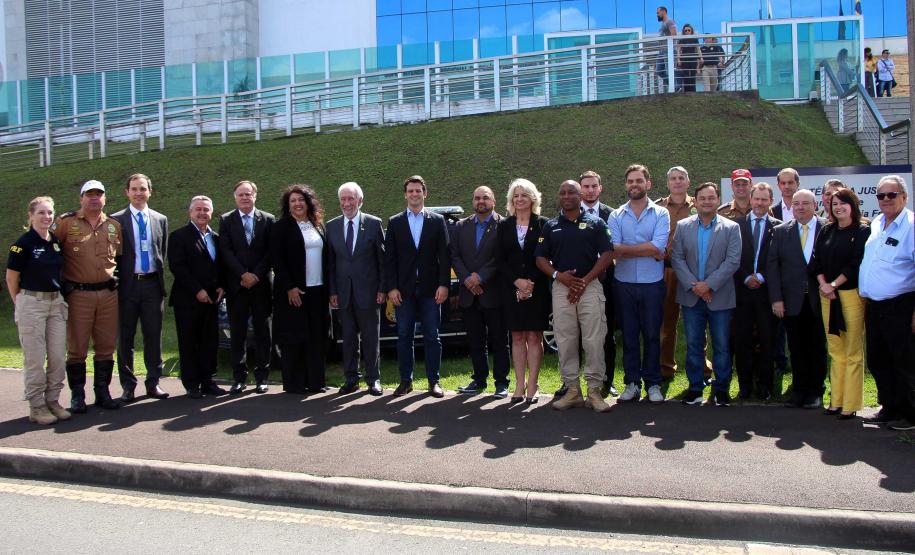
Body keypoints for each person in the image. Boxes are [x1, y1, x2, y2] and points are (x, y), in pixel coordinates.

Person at [535, 180, 613, 412]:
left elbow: (608, 254)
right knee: (566, 340)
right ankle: (572, 391)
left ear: (580, 196)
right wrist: (560, 276)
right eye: (563, 192)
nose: (567, 195)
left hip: (590, 287)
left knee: (594, 340)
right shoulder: (550, 226)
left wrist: (585, 281)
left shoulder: (596, 223)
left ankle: (594, 391)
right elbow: (540, 258)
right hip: (561, 289)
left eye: (572, 192)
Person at [53, 180, 123, 413]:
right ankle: (77, 395)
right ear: (81, 198)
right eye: (89, 194)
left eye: (99, 194)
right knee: (77, 347)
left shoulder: (113, 225)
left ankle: (102, 392)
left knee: (105, 346)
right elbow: (52, 254)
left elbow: (119, 259)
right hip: (78, 294)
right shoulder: (66, 223)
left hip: (107, 294)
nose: (94, 198)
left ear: (105, 198)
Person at [671, 183, 741, 406]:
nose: (707, 201)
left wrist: (708, 285)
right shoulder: (683, 226)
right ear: (696, 201)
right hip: (692, 297)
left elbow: (732, 261)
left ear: (718, 199)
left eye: (711, 198)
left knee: (721, 345)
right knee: (693, 345)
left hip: (719, 296)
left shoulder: (731, 228)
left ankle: (721, 389)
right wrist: (696, 287)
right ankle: (695, 388)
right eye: (703, 198)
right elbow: (677, 259)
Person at [608, 164, 670, 403]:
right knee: (630, 335)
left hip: (652, 284)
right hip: (623, 284)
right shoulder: (616, 215)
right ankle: (632, 383)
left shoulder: (661, 214)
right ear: (626, 185)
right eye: (630, 181)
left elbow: (659, 248)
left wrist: (627, 249)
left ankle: (653, 383)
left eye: (639, 181)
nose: (635, 185)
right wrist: (647, 249)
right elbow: (614, 250)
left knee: (652, 335)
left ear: (648, 184)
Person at [384, 176, 451, 398]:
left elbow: (444, 255)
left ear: (425, 193)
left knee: (433, 336)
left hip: (431, 290)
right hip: (403, 292)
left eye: (418, 191)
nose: (414, 194)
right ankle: (406, 381)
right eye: (410, 191)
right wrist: (391, 288)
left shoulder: (436, 221)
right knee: (404, 336)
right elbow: (390, 259)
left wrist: (444, 284)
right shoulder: (395, 222)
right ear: (405, 195)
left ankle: (434, 382)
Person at [6, 197, 71, 424]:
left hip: (55, 303)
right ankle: (37, 406)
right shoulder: (22, 243)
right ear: (31, 216)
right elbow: (11, 278)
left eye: (50, 213)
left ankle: (53, 400)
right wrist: (21, 303)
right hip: (31, 303)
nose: (47, 217)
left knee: (57, 356)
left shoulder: (55, 241)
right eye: (41, 213)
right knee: (35, 358)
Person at [858, 175, 915, 431]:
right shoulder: (878, 223)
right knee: (879, 359)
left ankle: (910, 414)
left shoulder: (911, 226)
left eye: (891, 195)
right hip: (876, 305)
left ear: (904, 197)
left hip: (901, 305)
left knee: (904, 361)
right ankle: (889, 407)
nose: (886, 200)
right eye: (881, 195)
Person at [810, 188, 870, 420]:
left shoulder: (863, 230)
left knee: (853, 350)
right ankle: (836, 400)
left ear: (853, 205)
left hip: (850, 295)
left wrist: (834, 284)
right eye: (834, 204)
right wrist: (825, 285)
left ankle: (850, 403)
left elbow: (856, 263)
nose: (838, 207)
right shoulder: (827, 229)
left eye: (842, 203)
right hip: (828, 297)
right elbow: (815, 262)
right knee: (835, 349)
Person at [767, 190, 828, 409]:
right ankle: (799, 390)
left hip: (819, 299)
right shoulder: (781, 231)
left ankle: (816, 391)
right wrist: (776, 299)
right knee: (796, 347)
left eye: (805, 203)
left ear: (815, 205)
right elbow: (773, 267)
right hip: (791, 301)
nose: (800, 207)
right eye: (796, 203)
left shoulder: (826, 228)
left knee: (817, 347)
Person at [111, 173, 169, 402]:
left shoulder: (160, 219)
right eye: (134, 189)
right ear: (127, 192)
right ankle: (128, 385)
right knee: (125, 338)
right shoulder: (116, 220)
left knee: (153, 336)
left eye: (142, 188)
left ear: (150, 192)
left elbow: (160, 252)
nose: (138, 193)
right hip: (127, 286)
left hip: (153, 285)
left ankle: (153, 383)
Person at [326, 182, 385, 396]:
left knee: (371, 339)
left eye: (351, 199)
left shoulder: (373, 224)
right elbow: (330, 263)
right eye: (343, 199)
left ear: (360, 200)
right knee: (349, 339)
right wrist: (332, 291)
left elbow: (382, 261)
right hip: (343, 294)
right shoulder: (331, 226)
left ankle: (373, 379)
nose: (346, 203)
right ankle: (351, 379)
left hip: (369, 293)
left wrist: (382, 288)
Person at [270, 185, 328, 395]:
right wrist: (289, 287)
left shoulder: (318, 225)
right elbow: (277, 261)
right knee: (294, 337)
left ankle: (315, 382)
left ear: (308, 202)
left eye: (300, 199)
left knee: (316, 337)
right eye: (292, 201)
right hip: (294, 292)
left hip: (317, 290)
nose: (297, 204)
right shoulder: (280, 228)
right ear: (288, 205)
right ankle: (295, 384)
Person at [452, 186, 509, 399]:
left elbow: (500, 258)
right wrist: (467, 278)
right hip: (469, 294)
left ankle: (502, 382)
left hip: (493, 292)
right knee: (476, 340)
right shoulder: (460, 226)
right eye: (477, 198)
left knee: (499, 341)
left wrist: (480, 277)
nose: (480, 201)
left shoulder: (503, 225)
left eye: (485, 198)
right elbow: (455, 256)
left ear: (494, 201)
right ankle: (479, 379)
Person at [497, 179, 551, 404]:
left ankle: (533, 384)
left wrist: (530, 283)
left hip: (537, 289)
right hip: (511, 289)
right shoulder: (504, 225)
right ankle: (519, 384)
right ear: (511, 200)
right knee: (517, 336)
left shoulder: (544, 224)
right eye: (516, 195)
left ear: (533, 198)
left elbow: (546, 256)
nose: (520, 199)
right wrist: (517, 282)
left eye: (524, 195)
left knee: (534, 335)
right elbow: (500, 259)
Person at [218, 180, 275, 395]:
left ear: (255, 196)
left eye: (248, 194)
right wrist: (243, 274)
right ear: (235, 197)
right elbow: (225, 251)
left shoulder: (268, 220)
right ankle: (239, 378)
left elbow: (270, 252)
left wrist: (255, 275)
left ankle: (262, 378)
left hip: (260, 286)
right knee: (238, 334)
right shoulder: (226, 220)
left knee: (263, 333)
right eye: (240, 194)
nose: (244, 197)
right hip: (237, 286)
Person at [168, 196, 225, 398]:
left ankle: (208, 381)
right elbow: (178, 267)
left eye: (206, 210)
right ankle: (192, 383)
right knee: (189, 341)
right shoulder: (179, 236)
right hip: (188, 300)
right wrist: (197, 290)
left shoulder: (216, 238)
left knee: (210, 340)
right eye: (198, 209)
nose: (202, 213)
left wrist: (221, 286)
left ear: (211, 213)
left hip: (211, 300)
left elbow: (220, 267)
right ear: (190, 213)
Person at [657, 166, 709, 381]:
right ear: (668, 183)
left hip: (693, 271)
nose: (677, 182)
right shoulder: (658, 207)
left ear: (688, 182)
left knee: (696, 323)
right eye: (673, 178)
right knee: (666, 324)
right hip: (666, 270)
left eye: (681, 178)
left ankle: (702, 370)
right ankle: (665, 368)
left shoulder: (699, 205)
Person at [733, 183, 782, 401]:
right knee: (741, 340)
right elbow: (731, 257)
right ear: (750, 200)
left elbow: (779, 260)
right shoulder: (735, 226)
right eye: (757, 199)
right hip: (741, 292)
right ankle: (744, 385)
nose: (760, 203)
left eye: (765, 199)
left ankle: (765, 385)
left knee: (767, 340)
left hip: (766, 293)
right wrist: (745, 277)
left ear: (770, 201)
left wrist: (761, 277)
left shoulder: (780, 227)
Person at [579, 170, 618, 398]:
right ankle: (571, 383)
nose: (590, 190)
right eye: (586, 186)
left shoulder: (612, 215)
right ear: (580, 189)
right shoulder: (569, 214)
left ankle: (607, 380)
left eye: (594, 186)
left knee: (606, 335)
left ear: (600, 188)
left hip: (606, 284)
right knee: (575, 335)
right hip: (576, 284)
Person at [655, 6, 677, 89]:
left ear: (663, 12)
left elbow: (674, 34)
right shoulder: (663, 24)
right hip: (662, 51)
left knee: (670, 71)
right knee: (659, 71)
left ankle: (674, 88)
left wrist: (670, 49)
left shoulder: (670, 22)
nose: (657, 15)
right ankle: (675, 86)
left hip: (669, 51)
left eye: (658, 13)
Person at [676, 24, 700, 92]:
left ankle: (693, 91)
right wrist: (678, 59)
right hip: (684, 59)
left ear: (691, 31)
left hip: (693, 59)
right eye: (685, 30)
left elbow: (698, 49)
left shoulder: (694, 39)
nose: (687, 32)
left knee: (693, 74)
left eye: (688, 30)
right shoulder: (682, 40)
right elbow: (678, 50)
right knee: (686, 75)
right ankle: (686, 91)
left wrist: (701, 58)